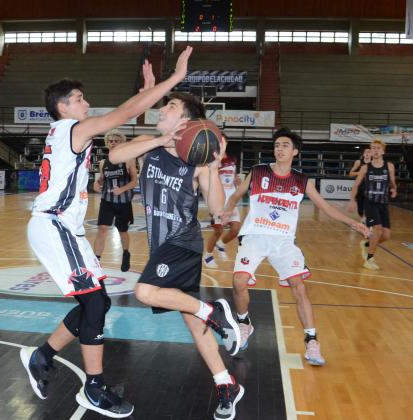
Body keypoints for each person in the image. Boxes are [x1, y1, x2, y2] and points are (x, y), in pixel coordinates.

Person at [19, 48, 193, 418]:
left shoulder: (66, 129)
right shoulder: (72, 128)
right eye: (80, 99)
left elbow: (122, 113)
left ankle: (42, 356)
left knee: (97, 302)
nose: (87, 104)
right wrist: (172, 81)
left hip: (63, 226)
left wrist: (146, 93)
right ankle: (93, 388)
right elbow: (123, 115)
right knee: (95, 303)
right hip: (53, 224)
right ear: (63, 107)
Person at [109, 91, 246, 420]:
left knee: (144, 291)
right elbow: (115, 156)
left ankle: (214, 312)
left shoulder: (197, 162)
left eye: (169, 106)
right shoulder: (148, 146)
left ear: (185, 120)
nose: (161, 109)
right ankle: (226, 383)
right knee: (191, 320)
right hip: (162, 246)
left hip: (183, 241)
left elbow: (216, 210)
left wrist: (212, 167)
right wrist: (159, 141)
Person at [226, 128, 370, 368]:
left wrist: (353, 222)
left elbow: (325, 207)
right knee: (239, 281)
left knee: (299, 287)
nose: (279, 149)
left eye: (284, 145)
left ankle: (311, 340)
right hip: (254, 237)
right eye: (276, 145)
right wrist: (227, 208)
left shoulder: (302, 180)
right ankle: (244, 323)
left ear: (295, 151)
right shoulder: (258, 171)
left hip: (283, 242)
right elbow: (236, 195)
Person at [92, 129, 138, 271]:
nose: (113, 143)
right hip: (107, 201)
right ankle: (96, 261)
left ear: (121, 143)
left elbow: (134, 182)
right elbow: (101, 179)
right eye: (110, 141)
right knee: (102, 229)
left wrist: (122, 189)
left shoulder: (129, 160)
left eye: (116, 141)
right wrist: (96, 183)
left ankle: (125, 254)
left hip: (123, 202)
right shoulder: (103, 163)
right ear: (107, 143)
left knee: (122, 231)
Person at [349, 139, 396, 270]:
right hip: (370, 203)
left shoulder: (390, 166)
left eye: (377, 148)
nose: (375, 150)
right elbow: (356, 185)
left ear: (383, 151)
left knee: (386, 235)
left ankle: (366, 245)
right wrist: (352, 200)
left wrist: (394, 189)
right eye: (373, 148)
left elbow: (392, 182)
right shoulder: (365, 168)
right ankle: (369, 259)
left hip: (383, 203)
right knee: (378, 229)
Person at [203, 152, 242, 268]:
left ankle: (220, 244)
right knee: (218, 231)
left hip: (231, 199)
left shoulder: (232, 159)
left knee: (235, 229)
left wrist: (236, 180)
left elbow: (233, 175)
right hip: (218, 199)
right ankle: (208, 256)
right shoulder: (211, 161)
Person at [348, 147, 372, 222]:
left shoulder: (374, 163)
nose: (367, 153)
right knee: (360, 209)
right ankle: (363, 218)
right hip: (360, 187)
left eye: (369, 152)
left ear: (371, 154)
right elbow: (350, 174)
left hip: (370, 187)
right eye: (366, 152)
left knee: (368, 206)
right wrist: (360, 173)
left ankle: (367, 220)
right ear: (363, 154)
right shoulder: (358, 162)